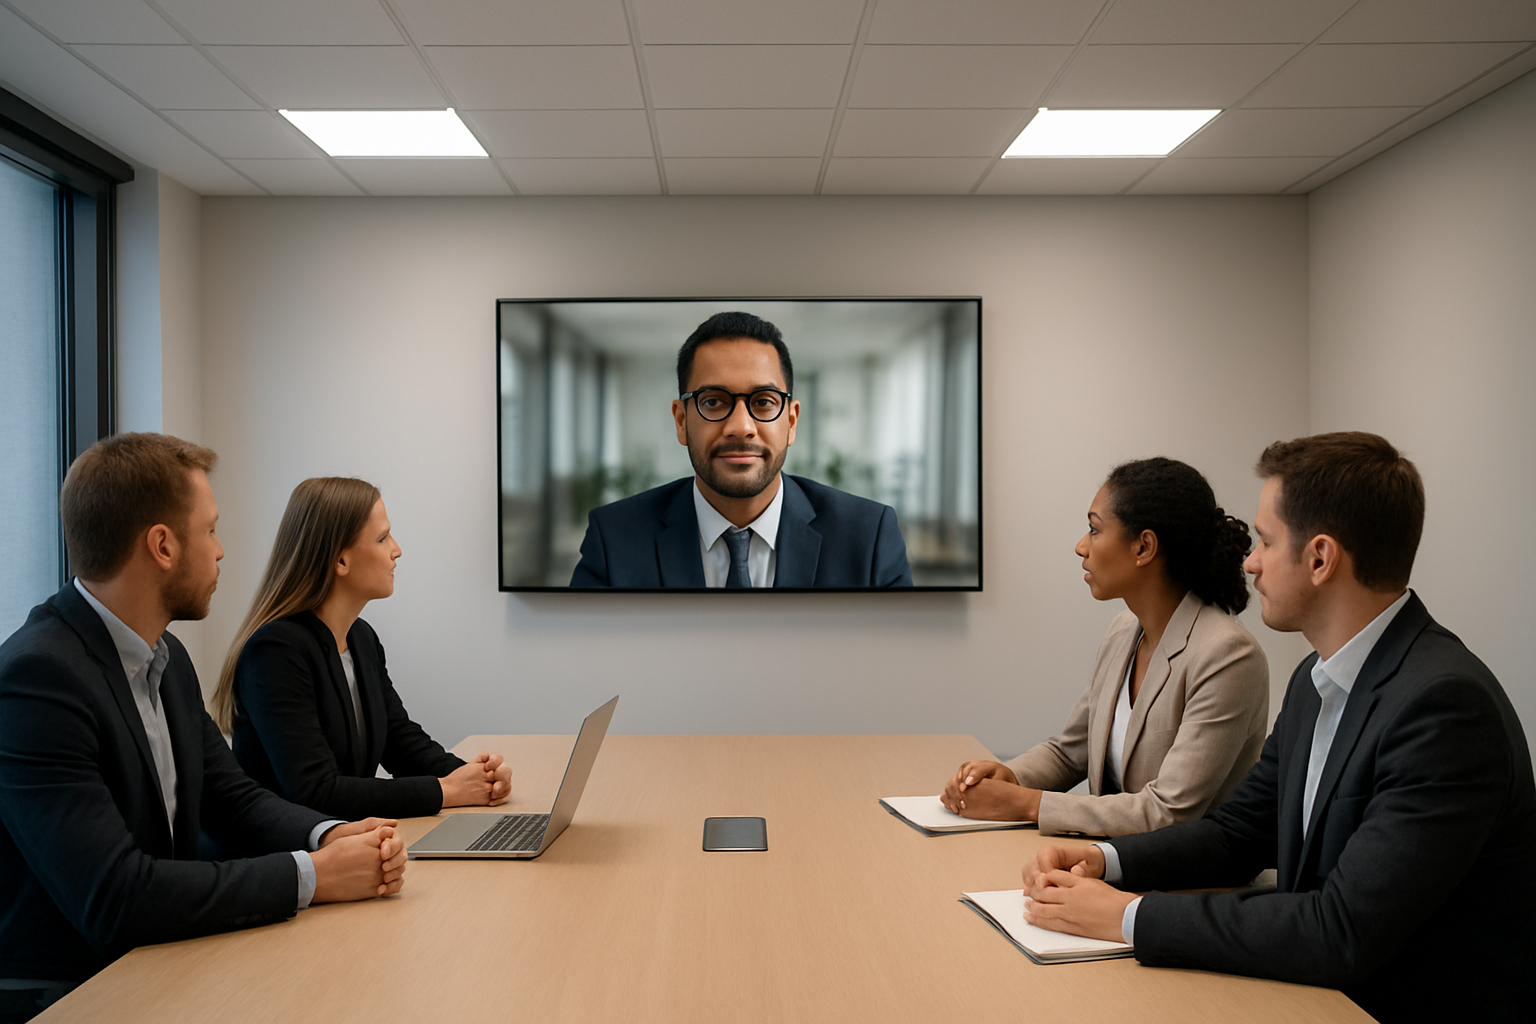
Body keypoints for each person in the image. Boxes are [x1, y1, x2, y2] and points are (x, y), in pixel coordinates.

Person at [1020, 432, 1536, 1024]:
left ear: (1319, 558)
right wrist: (1104, 861)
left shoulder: (1444, 708)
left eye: (1265, 541)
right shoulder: (1317, 680)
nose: (1249, 560)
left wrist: (1127, 916)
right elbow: (1239, 834)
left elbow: (1338, 930)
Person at [0, 434, 406, 1020]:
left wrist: (329, 835)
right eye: (210, 530)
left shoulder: (166, 658)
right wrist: (312, 876)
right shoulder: (38, 680)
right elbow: (116, 897)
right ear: (162, 546)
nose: (221, 552)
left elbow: (232, 797)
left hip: (159, 957)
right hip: (69, 990)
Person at [940, 458, 1269, 836]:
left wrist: (1024, 803)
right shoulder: (1124, 630)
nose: (1081, 546)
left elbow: (1170, 812)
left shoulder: (1228, 655)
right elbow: (1069, 752)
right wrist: (1009, 775)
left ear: (1144, 547)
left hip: (1190, 885)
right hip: (1111, 864)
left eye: (1095, 530)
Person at [213, 477, 512, 821]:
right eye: (383, 538)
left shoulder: (361, 638)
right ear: (340, 560)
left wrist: (476, 776)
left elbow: (399, 742)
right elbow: (316, 792)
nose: (396, 550)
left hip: (349, 847)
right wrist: (448, 791)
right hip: (287, 861)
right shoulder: (275, 652)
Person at [569, 311, 912, 588]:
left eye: (763, 402)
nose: (741, 427)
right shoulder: (613, 539)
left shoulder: (869, 539)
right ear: (681, 421)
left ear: (791, 422)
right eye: (714, 401)